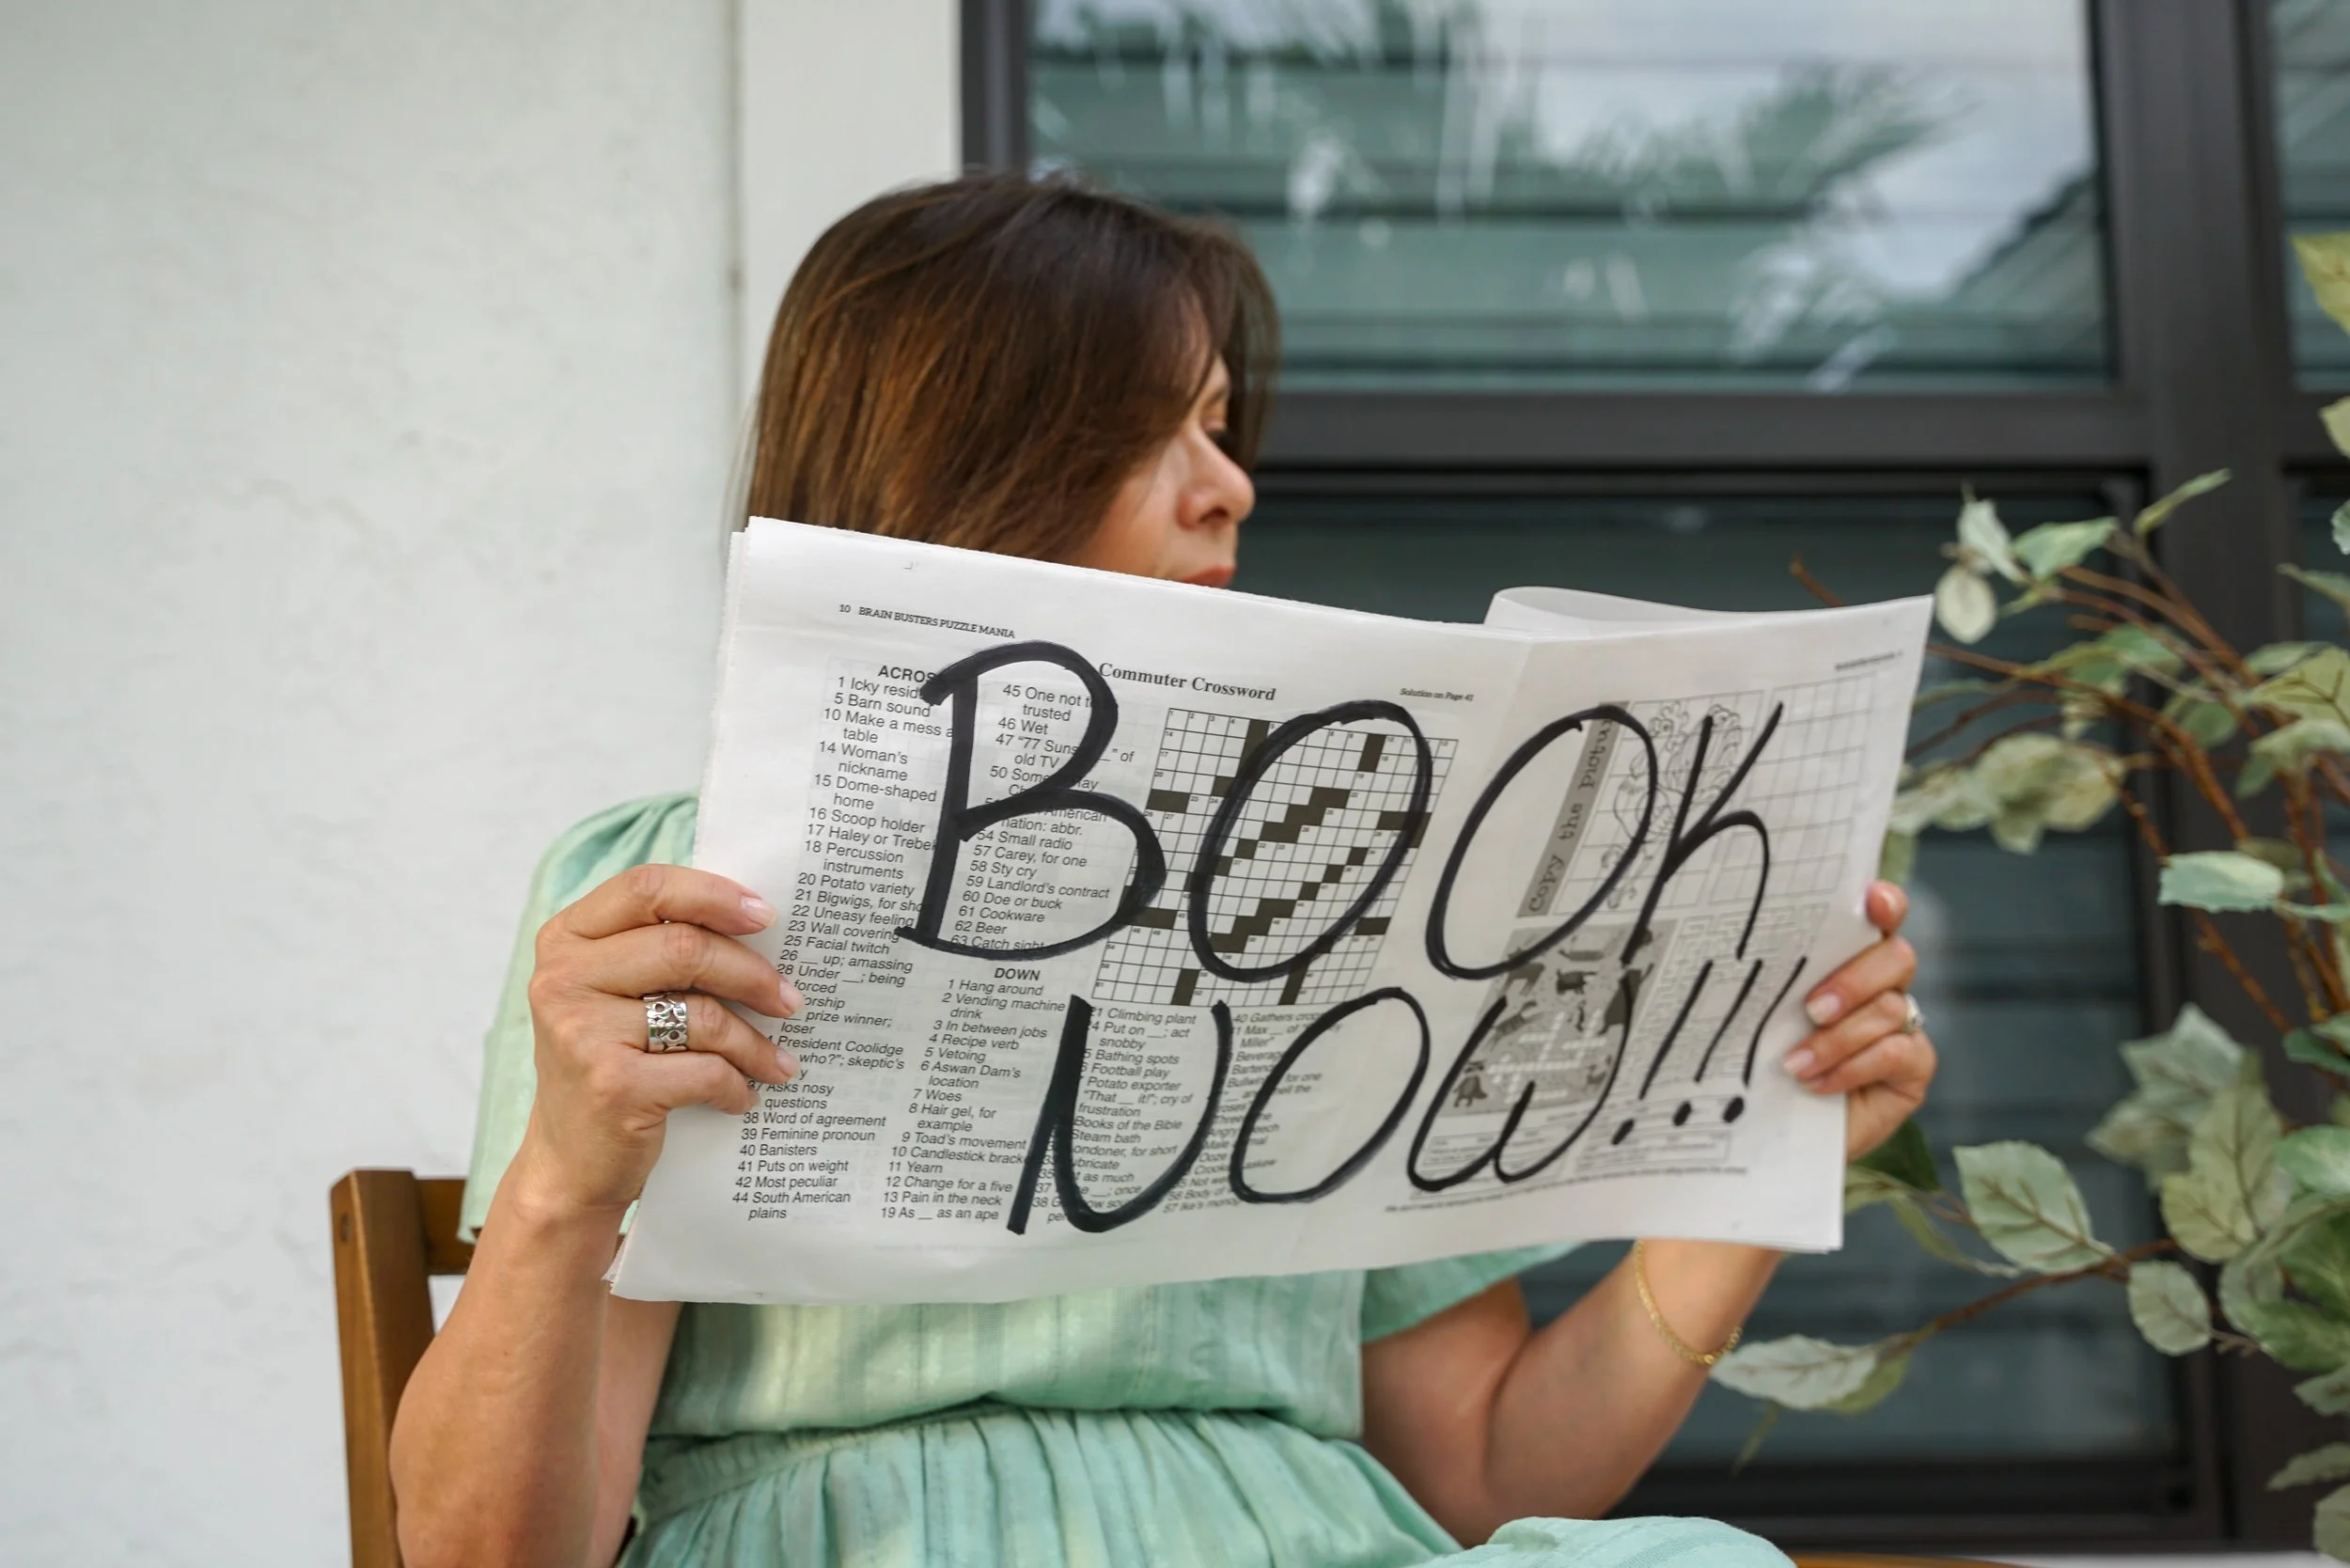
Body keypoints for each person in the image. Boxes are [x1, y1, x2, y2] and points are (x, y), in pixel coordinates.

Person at [388, 173, 1938, 1568]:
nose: (1231, 485)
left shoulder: (1363, 876)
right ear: (974, 447)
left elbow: (1477, 1476)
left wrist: (1755, 1155)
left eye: (1222, 423)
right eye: (1163, 426)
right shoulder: (677, 892)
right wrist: (564, 1189)